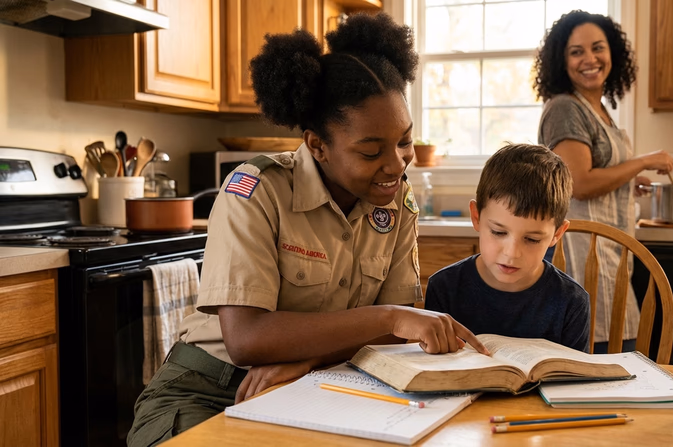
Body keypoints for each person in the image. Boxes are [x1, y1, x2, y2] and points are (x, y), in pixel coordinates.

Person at [127, 13, 488, 447]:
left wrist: (311, 357)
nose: (396, 164)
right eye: (371, 151)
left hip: (315, 382)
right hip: (207, 389)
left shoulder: (396, 203)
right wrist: (391, 316)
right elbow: (246, 340)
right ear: (317, 145)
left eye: (405, 141)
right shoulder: (255, 191)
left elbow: (392, 336)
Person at [534, 10, 673, 354]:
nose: (589, 59)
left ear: (613, 52)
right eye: (576, 51)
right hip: (582, 256)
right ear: (561, 61)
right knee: (598, 354)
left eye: (598, 48)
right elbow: (578, 183)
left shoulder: (599, 110)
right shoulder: (566, 108)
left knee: (617, 348)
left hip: (607, 253)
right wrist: (642, 160)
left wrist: (628, 179)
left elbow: (597, 173)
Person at [424, 144, 590, 352]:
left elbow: (575, 380)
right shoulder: (444, 288)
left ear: (557, 234)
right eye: (498, 232)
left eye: (531, 239)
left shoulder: (572, 301)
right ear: (476, 217)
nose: (511, 253)